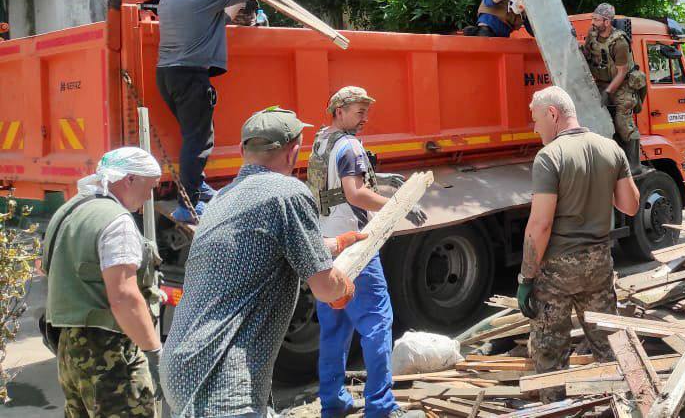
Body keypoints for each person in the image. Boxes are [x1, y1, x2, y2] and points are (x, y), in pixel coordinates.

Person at [160, 107, 362, 418]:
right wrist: (343, 288)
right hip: (223, 377)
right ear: (294, 152)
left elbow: (275, 244)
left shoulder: (222, 198)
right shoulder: (288, 192)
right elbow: (325, 288)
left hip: (182, 367)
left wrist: (336, 244)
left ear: (242, 150)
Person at [517, 86, 640, 402]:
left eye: (536, 120)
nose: (535, 128)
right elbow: (630, 205)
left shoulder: (549, 157)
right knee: (609, 346)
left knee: (550, 353)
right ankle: (618, 404)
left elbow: (540, 225)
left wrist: (526, 279)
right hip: (599, 266)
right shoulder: (610, 148)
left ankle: (555, 408)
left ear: (553, 114)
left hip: (557, 273)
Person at [306, 87, 424, 418]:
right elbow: (355, 194)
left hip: (323, 248)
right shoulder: (350, 145)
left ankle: (333, 402)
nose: (365, 118)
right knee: (376, 323)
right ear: (339, 110)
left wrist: (379, 176)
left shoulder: (322, 141)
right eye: (359, 112)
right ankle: (381, 406)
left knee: (334, 328)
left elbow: (334, 183)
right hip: (354, 249)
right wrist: (398, 205)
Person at [42, 147, 164, 418]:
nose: (148, 197)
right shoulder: (116, 220)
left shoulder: (69, 209)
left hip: (68, 348)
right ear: (129, 179)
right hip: (109, 352)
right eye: (150, 186)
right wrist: (154, 351)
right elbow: (123, 296)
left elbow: (49, 271)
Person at [156, 0, 266, 219]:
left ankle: (198, 185)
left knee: (194, 134)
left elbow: (220, 19)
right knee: (199, 139)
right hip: (191, 76)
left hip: (168, 75)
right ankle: (189, 205)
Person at [582, 3, 642, 172]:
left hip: (621, 85)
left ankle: (634, 164)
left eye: (596, 19)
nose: (593, 22)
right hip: (601, 83)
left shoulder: (619, 42)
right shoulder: (592, 34)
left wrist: (608, 92)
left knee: (623, 123)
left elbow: (622, 72)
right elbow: (586, 54)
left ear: (607, 22)